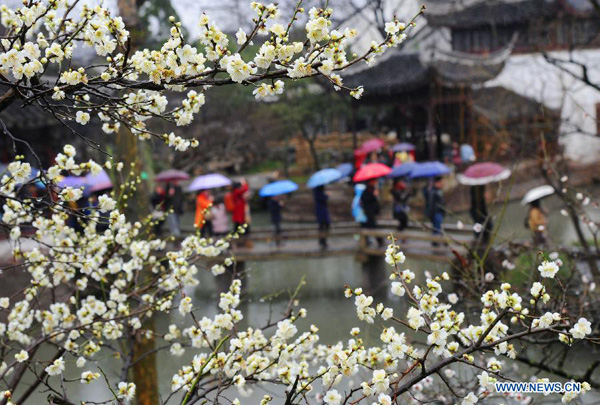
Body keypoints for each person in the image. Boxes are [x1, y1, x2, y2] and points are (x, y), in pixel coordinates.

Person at [360, 179, 383, 246]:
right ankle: (378, 240)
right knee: (371, 226)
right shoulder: (366, 191)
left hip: (372, 212)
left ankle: (370, 240)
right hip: (368, 212)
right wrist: (373, 195)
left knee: (370, 226)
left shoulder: (373, 190)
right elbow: (365, 200)